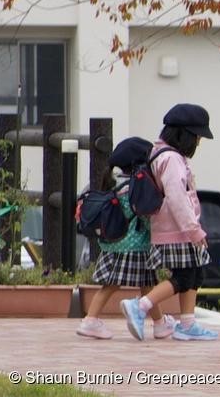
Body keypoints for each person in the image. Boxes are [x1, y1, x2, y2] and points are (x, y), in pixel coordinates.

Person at [120, 103, 218, 341]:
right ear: (184, 134)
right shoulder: (171, 159)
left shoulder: (161, 153)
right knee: (183, 277)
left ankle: (187, 323)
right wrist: (193, 230)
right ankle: (140, 306)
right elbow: (176, 197)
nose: (197, 143)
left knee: (195, 274)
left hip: (176, 229)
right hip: (177, 230)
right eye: (196, 137)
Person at [77, 137, 176, 340]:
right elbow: (146, 214)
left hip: (114, 245)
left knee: (141, 284)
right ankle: (90, 321)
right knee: (128, 285)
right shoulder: (136, 185)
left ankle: (159, 323)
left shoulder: (114, 183)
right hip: (135, 245)